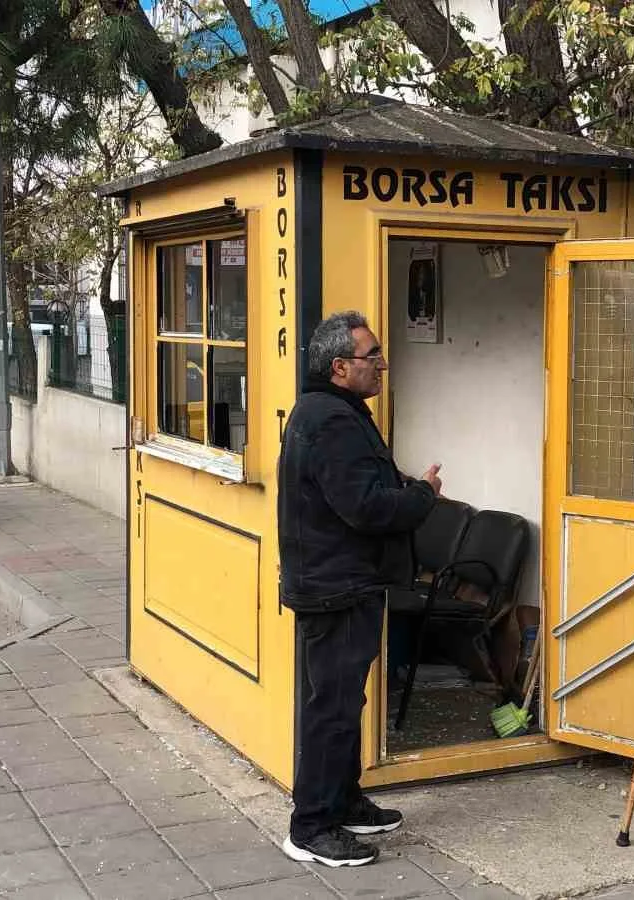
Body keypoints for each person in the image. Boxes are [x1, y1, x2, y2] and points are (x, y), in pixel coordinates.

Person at [276, 310, 443, 868]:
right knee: (334, 708)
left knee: (345, 702)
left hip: (342, 582)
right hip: (337, 587)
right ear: (341, 366)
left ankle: (342, 800)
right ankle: (312, 827)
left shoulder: (334, 410)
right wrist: (422, 497)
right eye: (373, 358)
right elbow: (364, 507)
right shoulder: (332, 421)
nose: (382, 366)